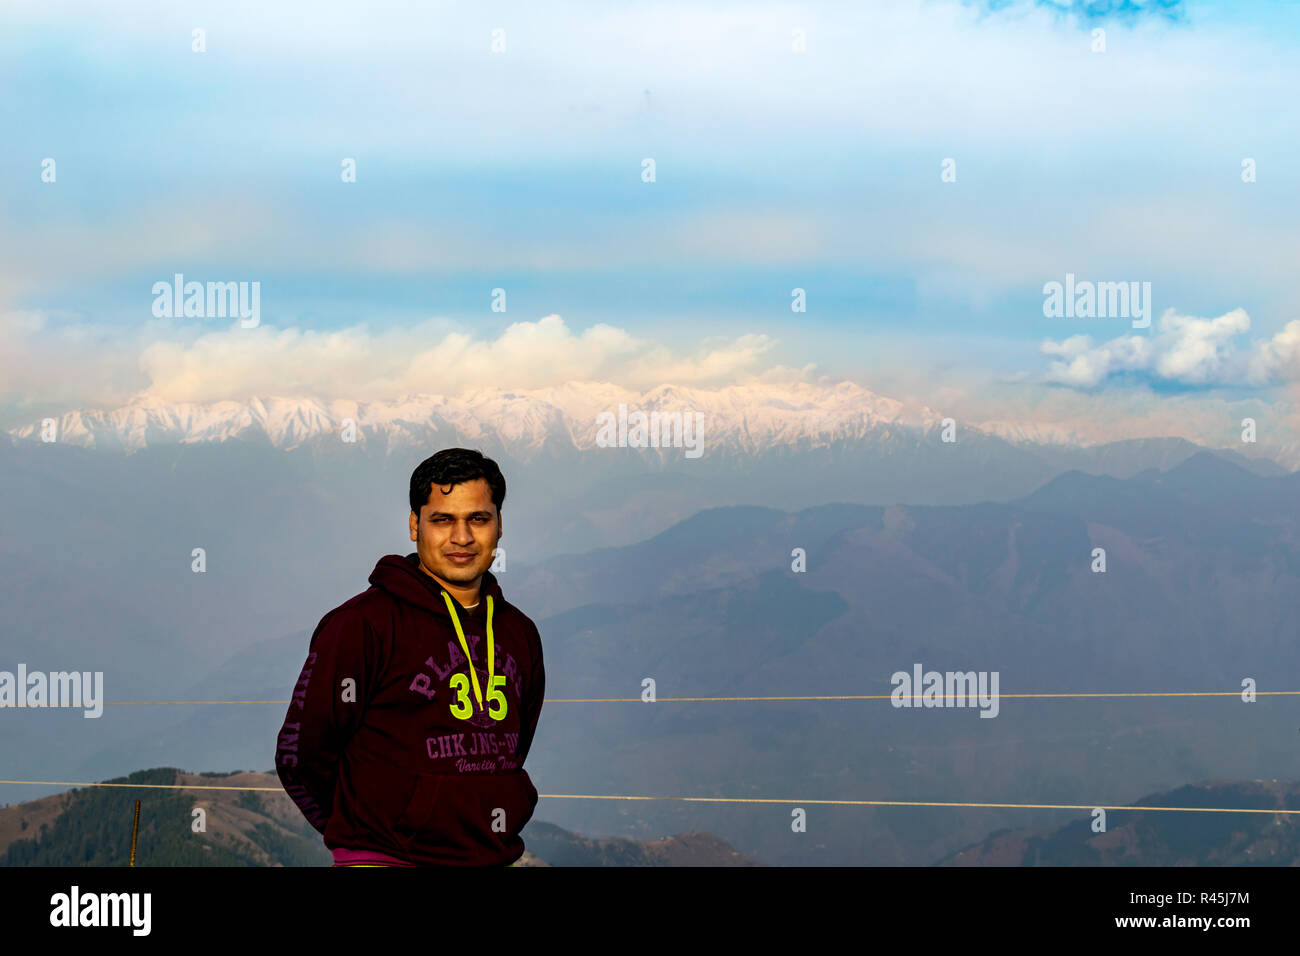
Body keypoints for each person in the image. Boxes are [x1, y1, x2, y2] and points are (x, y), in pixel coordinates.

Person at [275, 448, 545, 866]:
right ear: (414, 525)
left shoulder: (519, 634)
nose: (462, 537)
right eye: (442, 520)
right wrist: (359, 838)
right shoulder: (362, 625)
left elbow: (513, 748)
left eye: (478, 518)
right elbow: (300, 755)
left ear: (499, 526)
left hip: (488, 858)